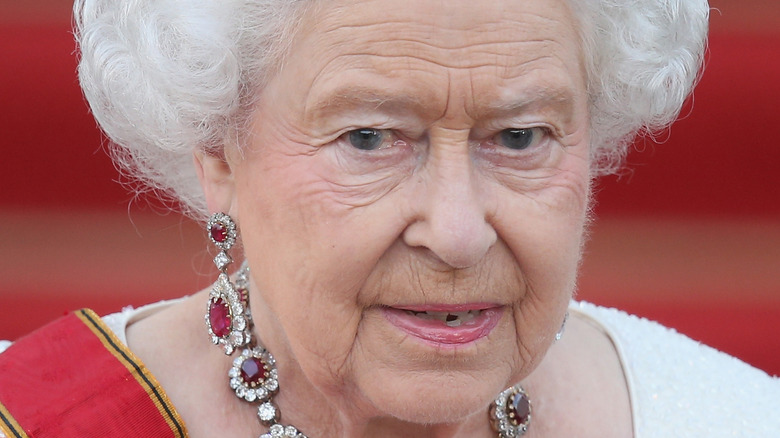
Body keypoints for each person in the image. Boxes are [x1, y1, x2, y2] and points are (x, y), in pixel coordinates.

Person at [1, 0, 778, 437]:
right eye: (369, 137)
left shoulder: (730, 421)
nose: (458, 230)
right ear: (220, 153)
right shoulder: (42, 422)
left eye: (519, 136)